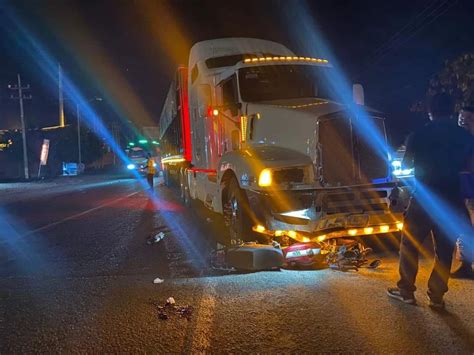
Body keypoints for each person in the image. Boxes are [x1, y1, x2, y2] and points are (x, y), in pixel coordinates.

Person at [387, 93, 474, 308]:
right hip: (451, 199)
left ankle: (406, 290)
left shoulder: (419, 134)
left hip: (424, 198)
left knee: (410, 244)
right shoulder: (464, 136)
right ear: (452, 111)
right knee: (444, 250)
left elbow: (406, 164)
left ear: (430, 111)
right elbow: (471, 166)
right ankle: (437, 296)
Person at [451, 105, 474, 278]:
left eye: (468, 120)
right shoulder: (459, 142)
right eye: (461, 120)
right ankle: (466, 265)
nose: (463, 123)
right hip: (464, 193)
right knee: (464, 229)